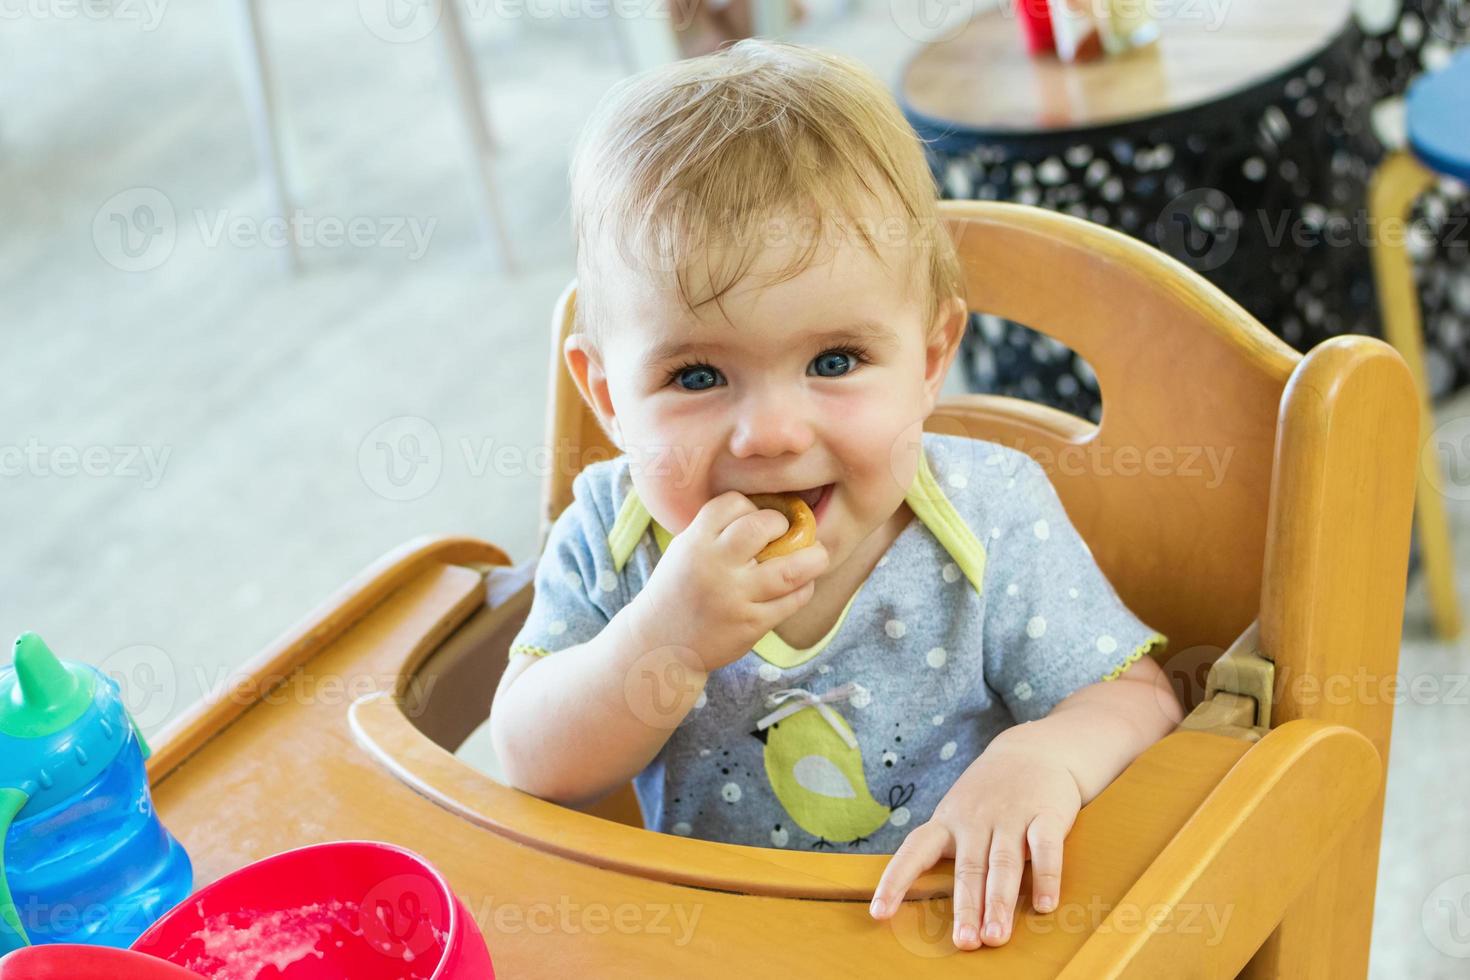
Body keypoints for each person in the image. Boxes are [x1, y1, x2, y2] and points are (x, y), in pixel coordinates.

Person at [490, 39, 1182, 951]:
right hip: (712, 948)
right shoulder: (613, 540)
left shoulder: (984, 514)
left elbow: (1138, 696)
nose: (772, 433)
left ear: (930, 361)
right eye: (697, 375)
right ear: (610, 397)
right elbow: (533, 765)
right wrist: (662, 640)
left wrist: (1043, 756)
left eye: (834, 361)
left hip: (951, 937)